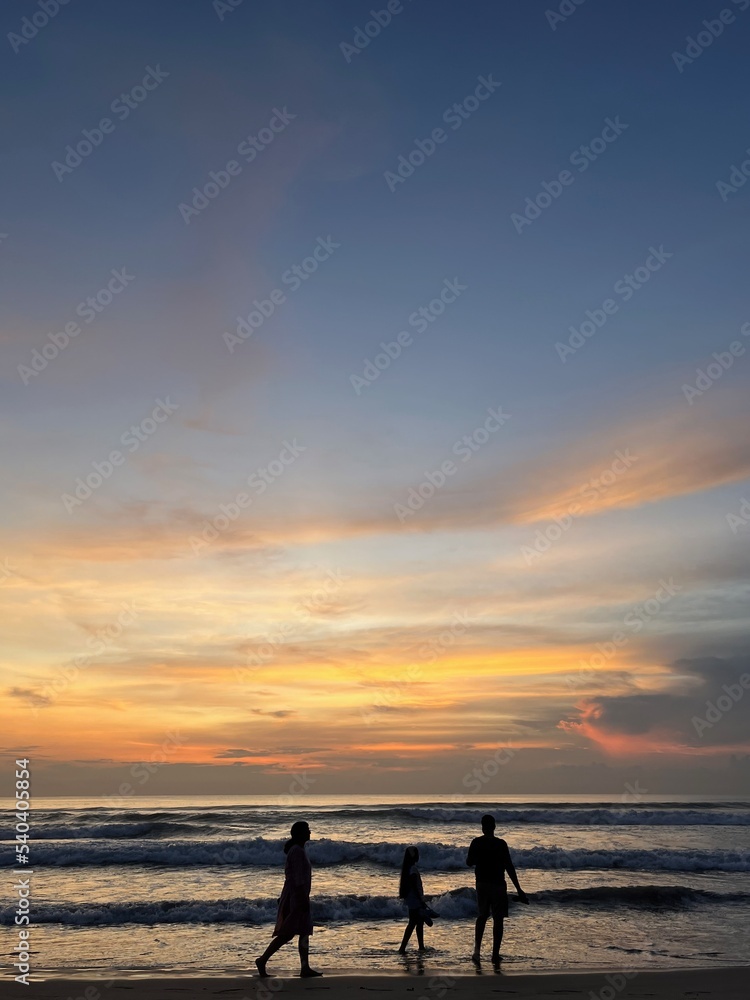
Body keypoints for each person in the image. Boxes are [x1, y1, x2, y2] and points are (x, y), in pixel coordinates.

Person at [256, 820, 322, 978]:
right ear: (299, 833)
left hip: (296, 895)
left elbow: (292, 876)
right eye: (306, 830)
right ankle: (263, 960)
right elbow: (298, 878)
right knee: (288, 933)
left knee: (304, 931)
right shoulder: (297, 851)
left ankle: (305, 968)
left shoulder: (297, 850)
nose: (309, 832)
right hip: (297, 896)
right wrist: (302, 899)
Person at [466, 814, 528, 964]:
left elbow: (469, 862)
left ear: (482, 827)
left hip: (482, 884)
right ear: (494, 827)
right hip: (498, 885)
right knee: (498, 919)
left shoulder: (476, 842)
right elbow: (509, 867)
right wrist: (519, 889)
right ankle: (495, 954)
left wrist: (479, 858)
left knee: (482, 916)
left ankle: (477, 952)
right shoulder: (501, 844)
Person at [397, 845, 432, 954]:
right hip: (415, 900)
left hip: (412, 899)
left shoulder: (408, 868)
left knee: (419, 922)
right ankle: (402, 948)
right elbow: (414, 885)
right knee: (413, 923)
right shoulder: (412, 869)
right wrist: (420, 899)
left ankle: (421, 946)